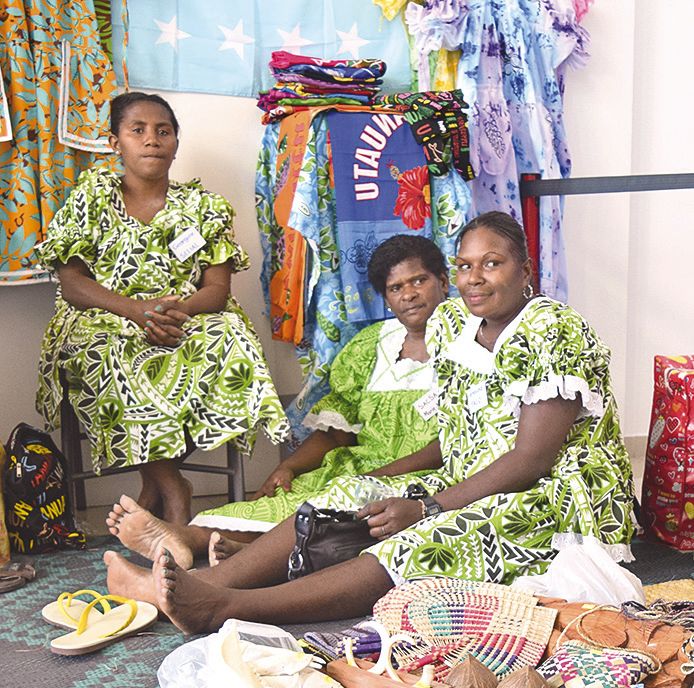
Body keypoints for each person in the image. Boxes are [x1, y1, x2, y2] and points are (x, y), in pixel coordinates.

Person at [105, 210, 635, 633]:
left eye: (492, 264)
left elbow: (529, 460)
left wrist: (425, 506)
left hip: (557, 496)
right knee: (345, 495)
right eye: (467, 265)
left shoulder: (551, 330)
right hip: (473, 477)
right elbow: (454, 436)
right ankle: (199, 586)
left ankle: (224, 608)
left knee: (430, 535)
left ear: (526, 269)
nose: (475, 279)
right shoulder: (456, 325)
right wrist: (380, 481)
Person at [105, 234, 449, 568]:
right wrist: (289, 467)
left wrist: (375, 476)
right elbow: (337, 434)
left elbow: (452, 440)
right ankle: (191, 537)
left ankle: (192, 541)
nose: (409, 295)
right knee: (284, 499)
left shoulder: (465, 342)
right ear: (385, 298)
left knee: (332, 506)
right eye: (396, 288)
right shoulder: (370, 346)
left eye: (419, 281)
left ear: (444, 282)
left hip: (424, 476)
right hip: (358, 468)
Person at [36, 92, 288, 525]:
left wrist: (175, 313)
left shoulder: (204, 208)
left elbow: (217, 290)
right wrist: (137, 311)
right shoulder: (89, 199)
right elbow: (73, 283)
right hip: (105, 317)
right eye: (138, 130)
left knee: (229, 341)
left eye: (163, 131)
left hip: (186, 314)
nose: (152, 140)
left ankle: (154, 481)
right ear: (115, 142)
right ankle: (174, 488)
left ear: (175, 142)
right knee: (107, 350)